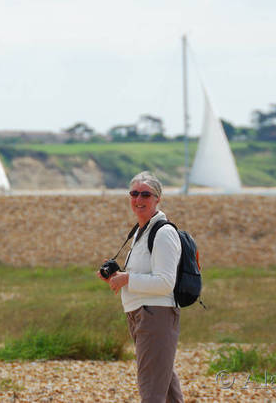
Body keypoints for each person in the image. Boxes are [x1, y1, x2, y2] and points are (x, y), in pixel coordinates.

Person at [97, 171, 184, 403]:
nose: (139, 199)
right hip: (141, 314)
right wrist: (117, 277)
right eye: (134, 193)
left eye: (146, 194)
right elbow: (141, 274)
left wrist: (126, 279)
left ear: (158, 199)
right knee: (164, 386)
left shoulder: (163, 233)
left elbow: (166, 282)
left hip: (156, 314)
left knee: (152, 387)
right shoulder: (139, 232)